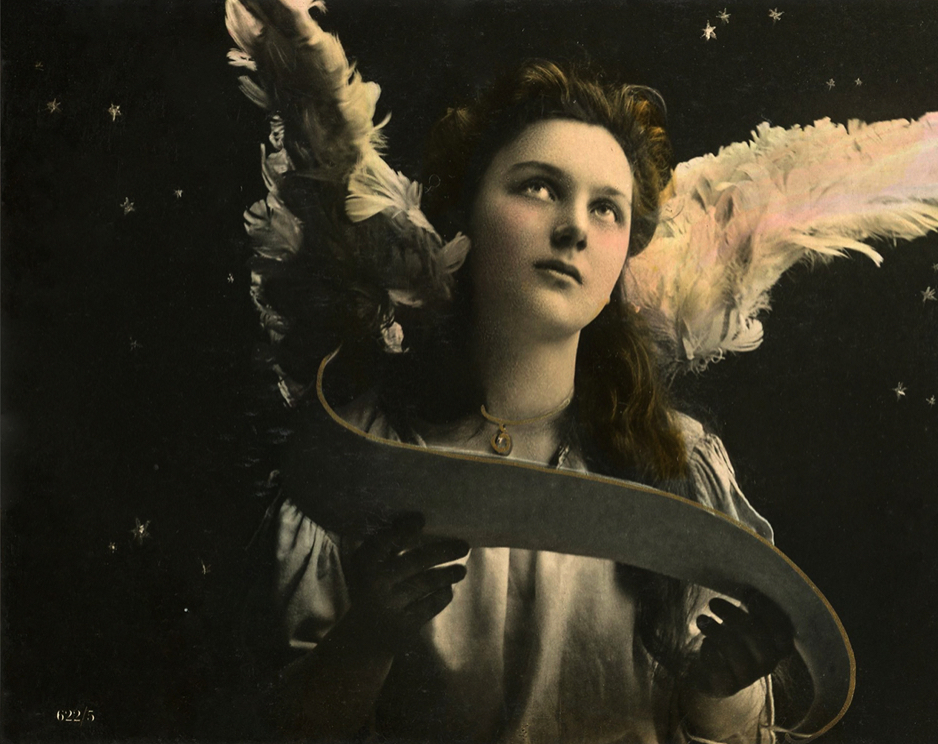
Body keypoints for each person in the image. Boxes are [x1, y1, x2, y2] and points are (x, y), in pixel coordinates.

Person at [238, 36, 802, 743]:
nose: (574, 229)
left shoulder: (679, 465)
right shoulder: (367, 453)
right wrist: (368, 639)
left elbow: (734, 731)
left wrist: (718, 692)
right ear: (465, 212)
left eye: (608, 209)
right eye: (538, 187)